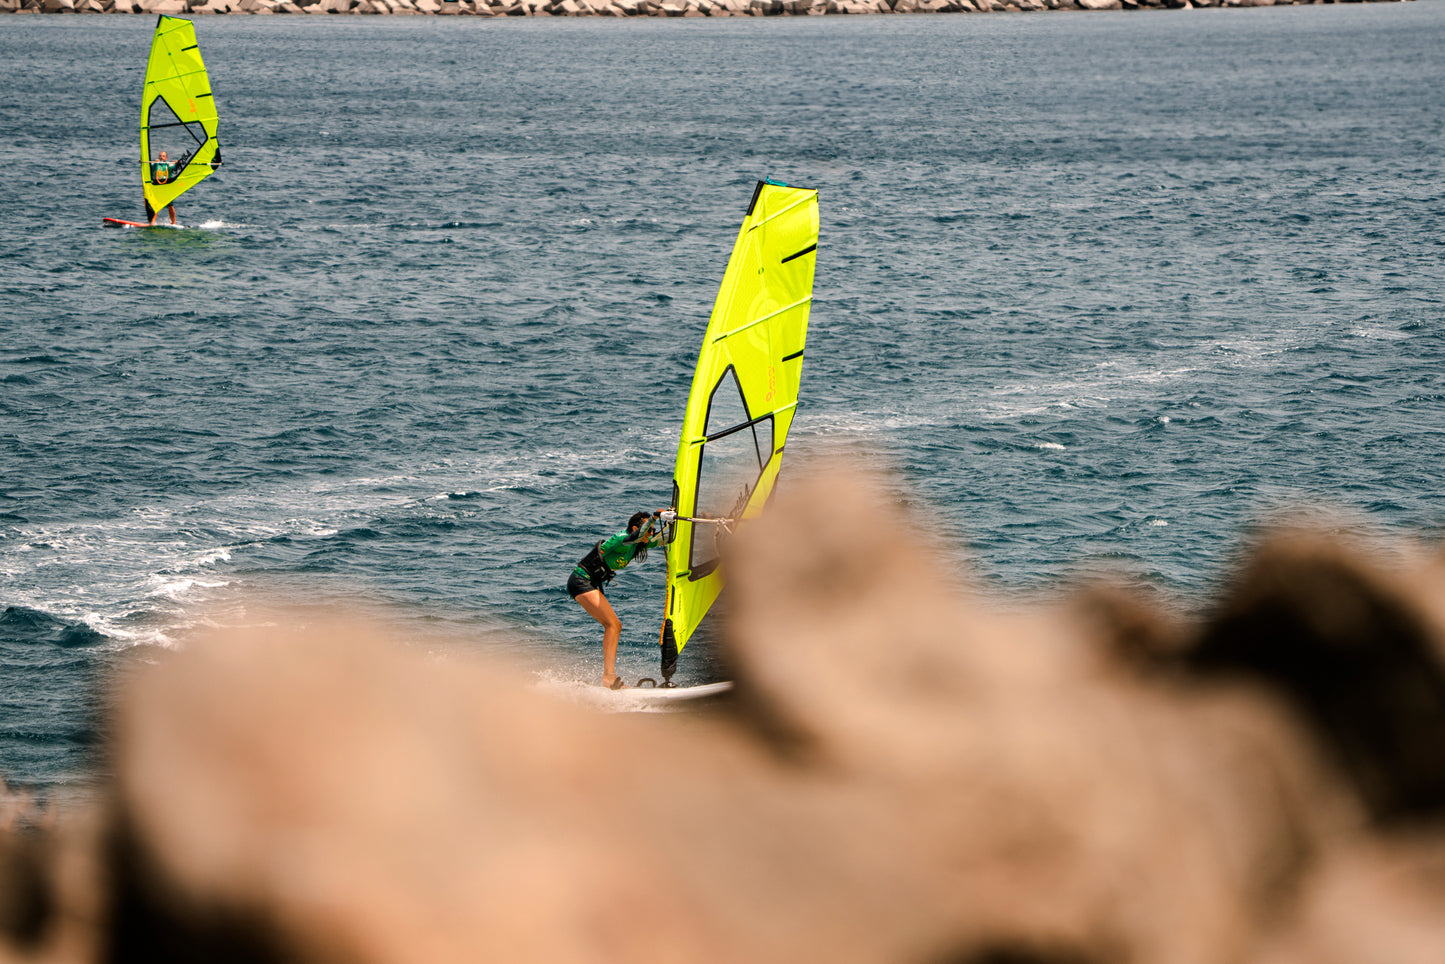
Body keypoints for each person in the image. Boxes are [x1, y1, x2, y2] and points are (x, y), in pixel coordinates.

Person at [568, 510, 668, 689]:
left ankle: (608, 677)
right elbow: (635, 537)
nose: (652, 533)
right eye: (649, 529)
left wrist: (685, 521)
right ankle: (608, 678)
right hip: (580, 580)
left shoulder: (639, 544)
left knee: (614, 625)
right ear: (636, 528)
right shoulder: (623, 538)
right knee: (613, 625)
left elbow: (666, 539)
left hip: (589, 583)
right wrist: (654, 517)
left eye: (653, 529)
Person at [146, 150, 178, 226]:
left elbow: (175, 168)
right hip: (156, 187)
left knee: (170, 206)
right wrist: (154, 163)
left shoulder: (169, 165)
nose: (161, 157)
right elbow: (148, 166)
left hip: (166, 188)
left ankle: (173, 223)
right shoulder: (155, 164)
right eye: (160, 156)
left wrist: (177, 163)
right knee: (155, 206)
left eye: (163, 156)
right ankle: (152, 223)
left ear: (166, 158)